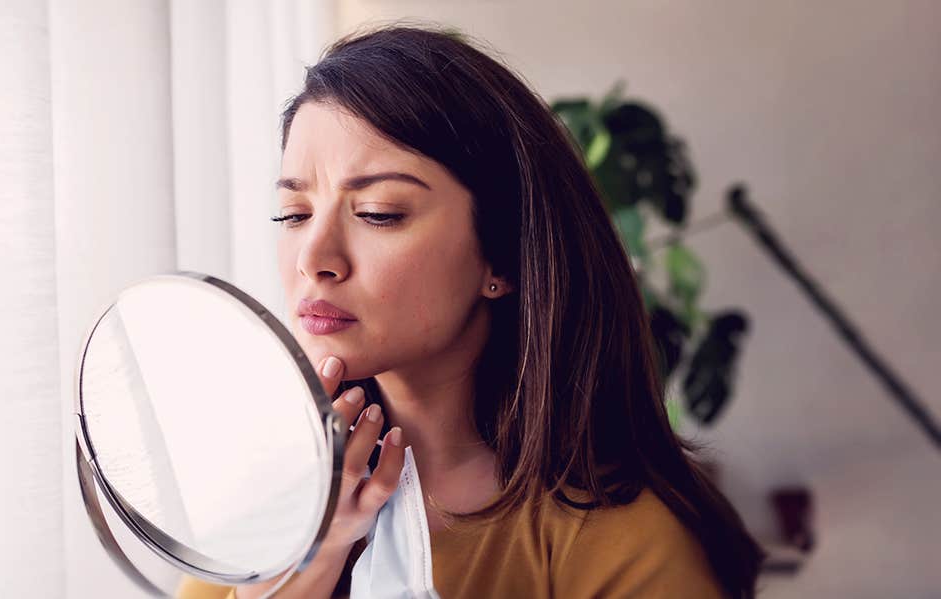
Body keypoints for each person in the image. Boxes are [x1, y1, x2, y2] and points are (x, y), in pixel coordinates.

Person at [180, 24, 762, 599]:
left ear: (501, 258)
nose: (314, 258)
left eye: (379, 213)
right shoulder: (275, 507)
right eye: (293, 215)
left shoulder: (618, 541)